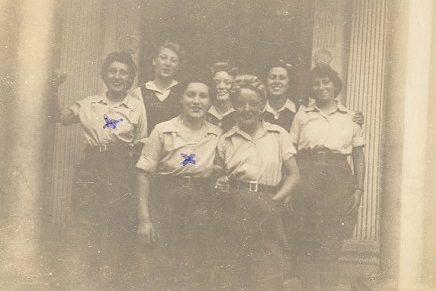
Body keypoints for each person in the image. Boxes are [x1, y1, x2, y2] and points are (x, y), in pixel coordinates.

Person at [56, 51, 147, 289]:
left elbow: (140, 145)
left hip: (121, 169)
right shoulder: (88, 104)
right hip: (92, 167)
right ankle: (88, 281)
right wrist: (53, 87)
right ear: (104, 74)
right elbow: (60, 117)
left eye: (123, 73)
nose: (117, 77)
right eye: (112, 71)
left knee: (118, 224)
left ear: (131, 79)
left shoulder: (137, 108)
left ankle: (114, 282)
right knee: (87, 222)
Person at [214, 75, 300, 290]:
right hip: (234, 204)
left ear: (262, 106)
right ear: (234, 106)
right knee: (233, 266)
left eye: (253, 103)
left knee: (268, 268)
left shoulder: (278, 134)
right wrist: (220, 182)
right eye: (241, 103)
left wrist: (274, 201)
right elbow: (216, 175)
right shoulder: (226, 139)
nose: (247, 109)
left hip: (268, 203)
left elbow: (294, 175)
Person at [135, 78, 222, 290]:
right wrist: (144, 219)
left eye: (203, 96)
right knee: (160, 261)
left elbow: (221, 170)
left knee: (194, 263)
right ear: (181, 99)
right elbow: (144, 175)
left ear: (210, 102)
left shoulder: (217, 134)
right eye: (191, 95)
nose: (196, 101)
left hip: (201, 201)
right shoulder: (162, 130)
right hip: (166, 198)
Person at [290, 65, 366, 290]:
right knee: (308, 235)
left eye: (326, 82)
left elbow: (359, 155)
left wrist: (359, 189)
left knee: (332, 238)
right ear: (311, 89)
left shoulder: (352, 117)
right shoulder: (302, 116)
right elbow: (290, 152)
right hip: (307, 172)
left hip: (338, 176)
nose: (321, 87)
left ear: (335, 84)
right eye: (316, 83)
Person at [263, 60, 365, 132]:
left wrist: (354, 117)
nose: (277, 82)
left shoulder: (301, 111)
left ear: (289, 82)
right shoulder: (257, 110)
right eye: (272, 77)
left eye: (282, 78)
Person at [131, 40, 185, 134]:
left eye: (173, 60)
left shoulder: (184, 92)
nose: (168, 63)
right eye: (163, 58)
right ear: (154, 60)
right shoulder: (139, 93)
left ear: (178, 66)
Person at [205, 62, 238, 131]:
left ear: (234, 85)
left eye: (227, 83)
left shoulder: (238, 113)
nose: (221, 87)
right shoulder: (204, 111)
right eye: (216, 82)